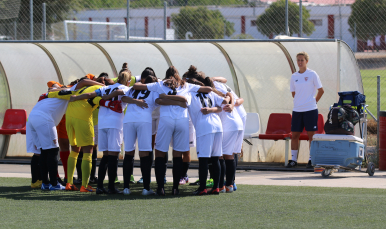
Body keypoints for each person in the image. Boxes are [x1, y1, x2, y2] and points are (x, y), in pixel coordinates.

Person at [133, 66, 212, 196]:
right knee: (177, 155)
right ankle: (175, 188)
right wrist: (179, 98)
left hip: (166, 120)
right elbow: (208, 89)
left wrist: (164, 99)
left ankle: (160, 188)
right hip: (182, 121)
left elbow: (137, 86)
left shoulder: (160, 84)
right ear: (178, 75)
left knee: (160, 153)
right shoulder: (186, 85)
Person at [70, 72, 130, 194]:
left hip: (102, 123)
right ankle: (111, 187)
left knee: (106, 156)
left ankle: (100, 186)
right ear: (128, 81)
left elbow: (89, 94)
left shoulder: (105, 88)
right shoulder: (126, 88)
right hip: (115, 123)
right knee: (113, 156)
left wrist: (76, 97)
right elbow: (128, 97)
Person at [48, 77, 107, 192]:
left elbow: (54, 93)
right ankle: (85, 185)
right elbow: (99, 100)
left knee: (74, 150)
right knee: (88, 151)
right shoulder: (102, 89)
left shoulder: (76, 90)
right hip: (83, 119)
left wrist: (51, 92)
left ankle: (69, 183)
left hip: (69, 119)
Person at [184, 75, 230, 195]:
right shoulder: (210, 93)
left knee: (203, 159)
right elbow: (223, 103)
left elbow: (183, 101)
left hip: (204, 127)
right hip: (217, 126)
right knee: (215, 158)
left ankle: (202, 188)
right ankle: (216, 187)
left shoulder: (190, 93)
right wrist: (213, 109)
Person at [287, 51, 324, 168]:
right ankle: (293, 160)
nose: (300, 62)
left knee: (311, 136)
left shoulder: (312, 74)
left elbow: (321, 90)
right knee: (295, 135)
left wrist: (313, 101)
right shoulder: (294, 76)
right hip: (297, 110)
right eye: (298, 60)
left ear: (306, 61)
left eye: (302, 60)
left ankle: (311, 159)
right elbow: (294, 93)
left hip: (310, 109)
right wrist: (300, 101)